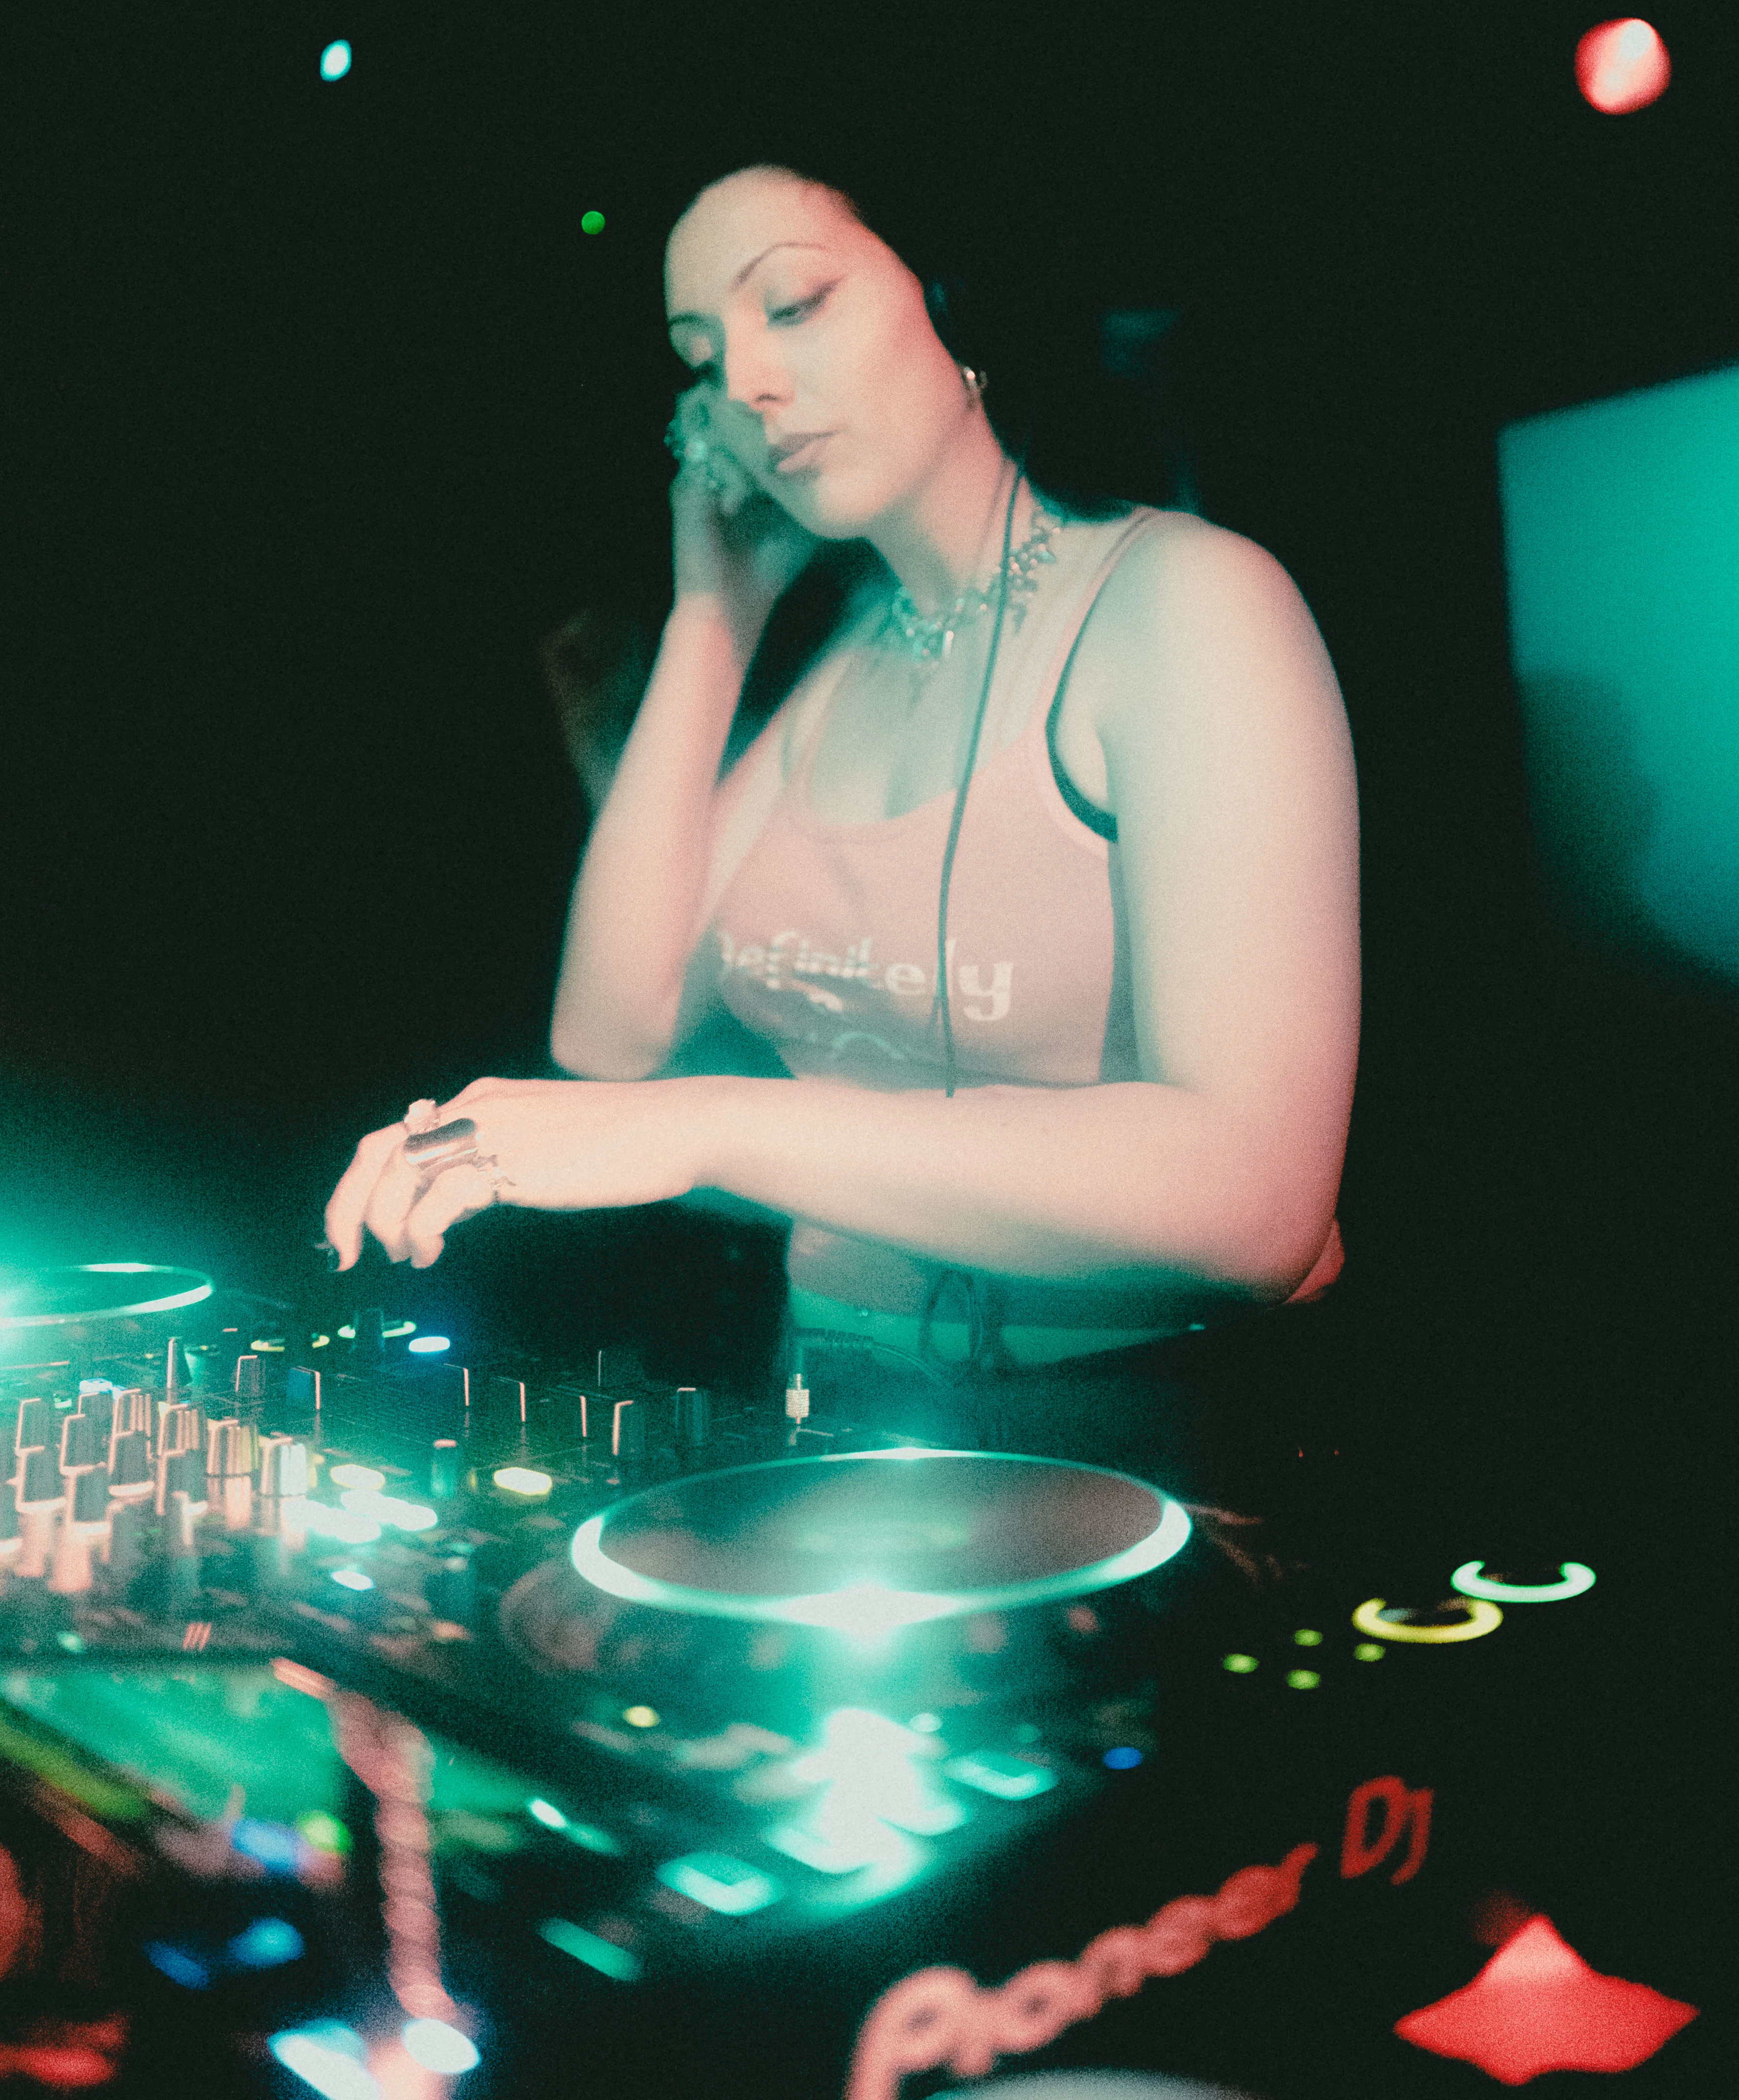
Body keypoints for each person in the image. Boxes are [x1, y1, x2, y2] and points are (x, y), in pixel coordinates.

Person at [323, 159, 1360, 1511]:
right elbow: (610, 1032)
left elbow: (1257, 1200)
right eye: (702, 358)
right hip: (849, 1419)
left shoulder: (1187, 605)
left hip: (1168, 1434)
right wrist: (715, 617)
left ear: (949, 297)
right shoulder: (848, 669)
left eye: (793, 305)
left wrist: (711, 1127)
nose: (743, 384)